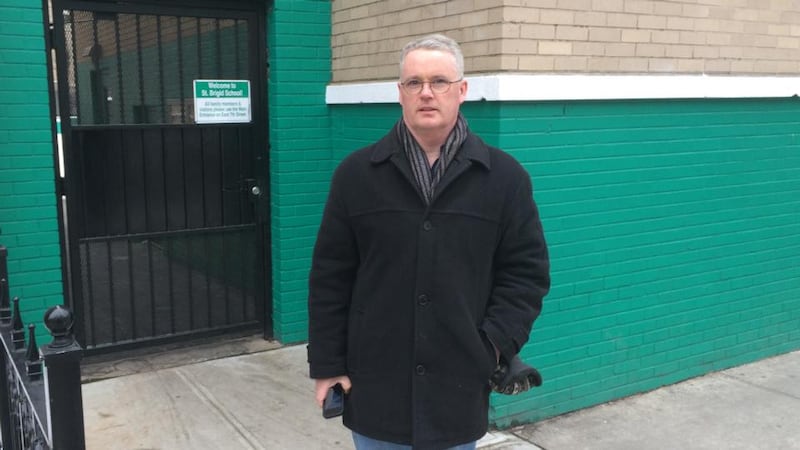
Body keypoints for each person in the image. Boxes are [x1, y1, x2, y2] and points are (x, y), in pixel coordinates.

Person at [307, 34, 550, 450]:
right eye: (413, 82)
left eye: (439, 81)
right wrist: (327, 364)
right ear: (399, 93)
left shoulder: (505, 179)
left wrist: (491, 345)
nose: (426, 93)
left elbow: (526, 276)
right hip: (375, 381)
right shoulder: (356, 175)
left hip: (457, 384)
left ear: (462, 90)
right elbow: (331, 276)